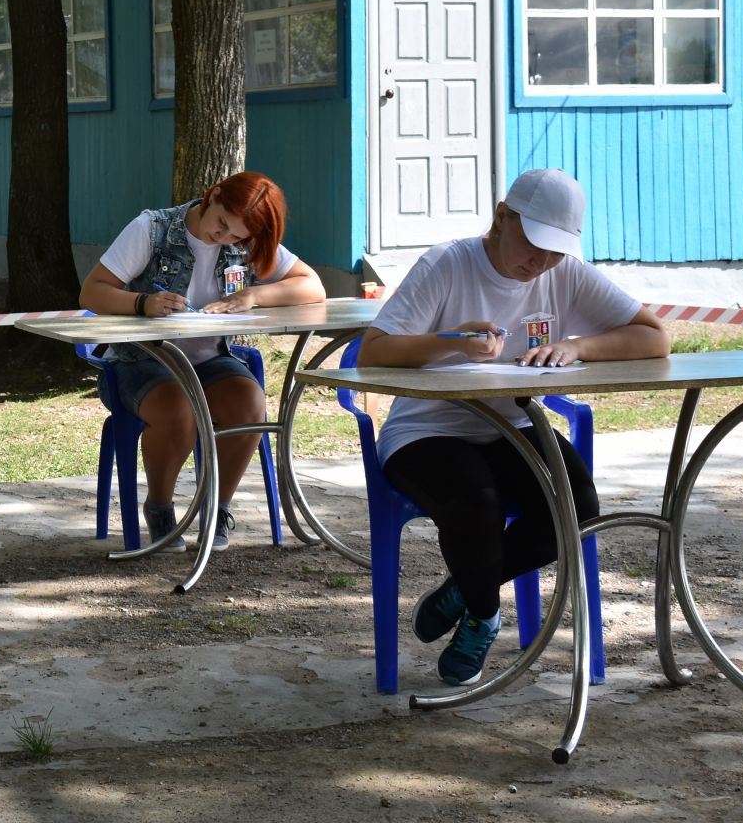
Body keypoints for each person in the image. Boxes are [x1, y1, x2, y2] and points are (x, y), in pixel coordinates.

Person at [358, 168, 669, 686]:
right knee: (473, 503)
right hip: (426, 429)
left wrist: (577, 347)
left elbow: (653, 337)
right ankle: (483, 612)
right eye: (532, 244)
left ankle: (466, 588)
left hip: (511, 423)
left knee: (575, 504)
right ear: (501, 218)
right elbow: (373, 354)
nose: (539, 263)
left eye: (554, 251)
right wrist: (452, 341)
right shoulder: (447, 263)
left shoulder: (563, 272)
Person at [79, 171, 326, 551]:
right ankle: (160, 507)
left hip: (208, 359)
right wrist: (142, 304)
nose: (224, 238)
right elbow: (92, 292)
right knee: (178, 410)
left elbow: (312, 286)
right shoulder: (153, 229)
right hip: (142, 360)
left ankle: (217, 507)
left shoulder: (249, 240)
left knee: (250, 403)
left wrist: (253, 297)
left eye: (237, 237)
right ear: (213, 196)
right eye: (222, 224)